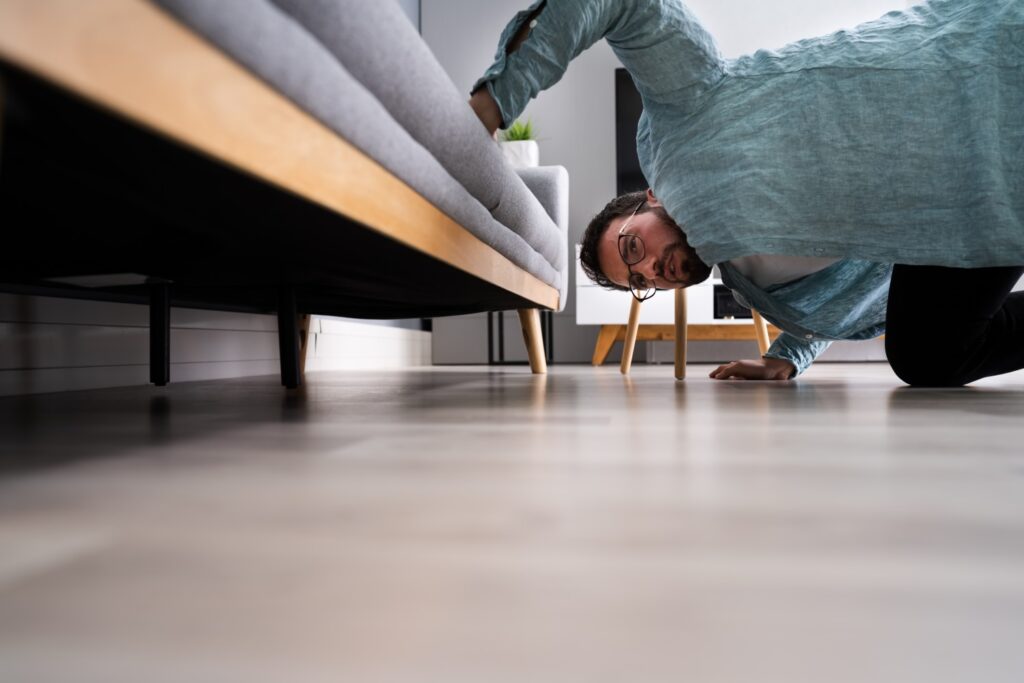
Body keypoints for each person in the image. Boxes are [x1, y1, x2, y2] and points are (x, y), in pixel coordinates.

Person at [468, 0, 1024, 386]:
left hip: (976, 80)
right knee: (928, 357)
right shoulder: (750, 281)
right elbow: (838, 288)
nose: (653, 272)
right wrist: (789, 355)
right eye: (638, 282)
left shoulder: (684, 118)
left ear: (650, 198)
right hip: (967, 213)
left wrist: (496, 101)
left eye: (634, 248)